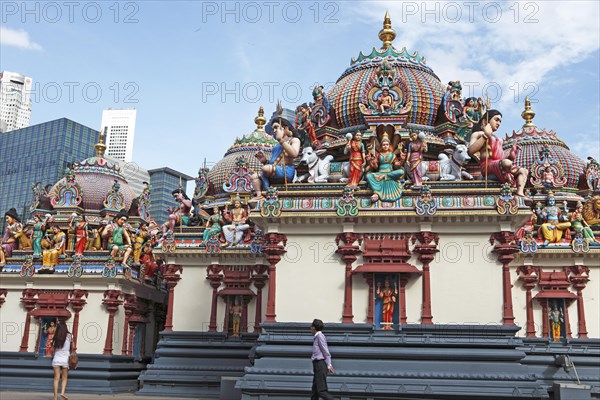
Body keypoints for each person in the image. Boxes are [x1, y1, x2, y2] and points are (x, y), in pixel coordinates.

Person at [467, 110, 529, 199]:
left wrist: (511, 154)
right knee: (506, 163)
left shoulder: (499, 139)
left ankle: (519, 194)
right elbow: (470, 151)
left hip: (499, 164)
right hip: (487, 166)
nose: (498, 123)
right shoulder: (478, 134)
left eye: (500, 121)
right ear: (486, 121)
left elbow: (501, 157)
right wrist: (485, 136)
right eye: (496, 120)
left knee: (524, 171)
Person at [251, 119, 301, 199]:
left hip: (286, 170)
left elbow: (294, 154)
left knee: (265, 168)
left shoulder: (294, 140)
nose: (274, 131)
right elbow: (274, 162)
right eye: (273, 128)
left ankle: (266, 190)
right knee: (254, 176)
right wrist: (264, 160)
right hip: (274, 169)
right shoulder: (276, 147)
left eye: (276, 127)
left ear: (285, 128)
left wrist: (281, 140)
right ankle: (260, 195)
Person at [365, 133, 405, 202]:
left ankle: (385, 176)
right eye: (384, 145)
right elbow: (375, 167)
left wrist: (402, 159)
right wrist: (370, 161)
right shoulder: (378, 155)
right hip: (379, 173)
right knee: (369, 176)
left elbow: (396, 165)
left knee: (401, 172)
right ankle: (376, 192)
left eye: (387, 144)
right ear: (381, 146)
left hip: (390, 172)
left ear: (389, 145)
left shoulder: (392, 155)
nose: (385, 146)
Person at [310, 319, 334, 400]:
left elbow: (325, 351)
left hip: (320, 365)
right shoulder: (317, 337)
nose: (310, 329)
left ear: (314, 328)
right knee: (315, 391)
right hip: (317, 365)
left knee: (321, 390)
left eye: (311, 327)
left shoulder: (320, 336)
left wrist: (329, 364)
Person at [51, 321, 72, 400]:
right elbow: (73, 347)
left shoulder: (55, 337)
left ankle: (55, 398)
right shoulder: (70, 336)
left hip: (57, 358)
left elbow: (52, 350)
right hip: (65, 358)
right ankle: (62, 393)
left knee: (56, 378)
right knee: (64, 377)